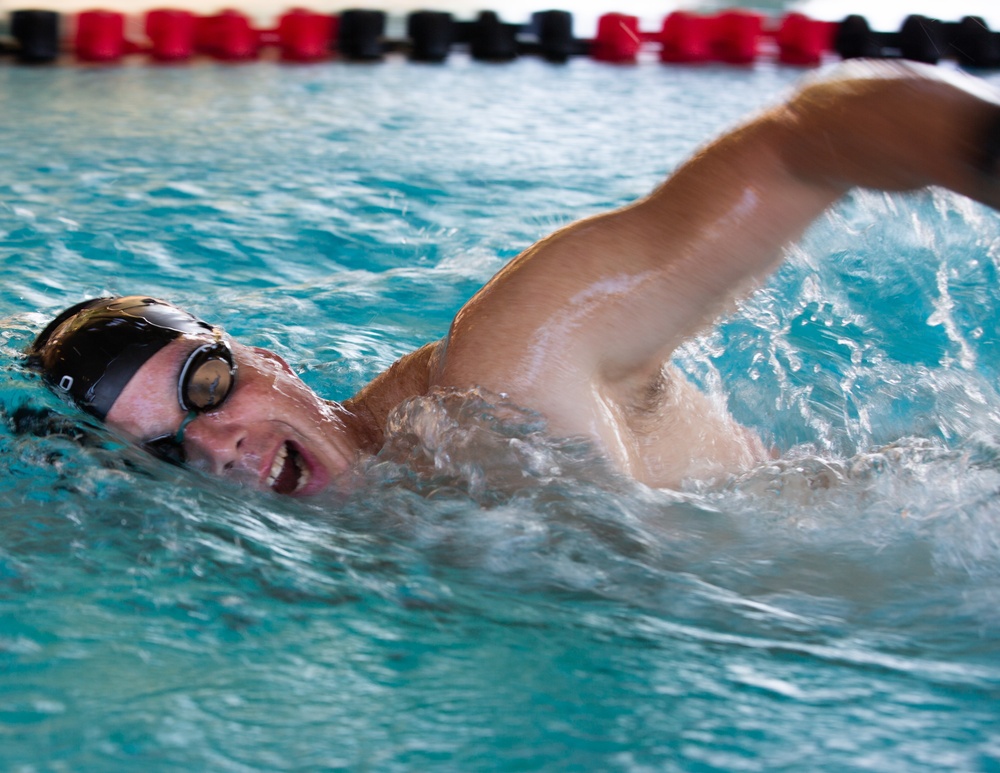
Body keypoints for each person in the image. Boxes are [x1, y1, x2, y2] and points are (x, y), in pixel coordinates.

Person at [26, 60, 1000, 497]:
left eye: (206, 385)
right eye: (165, 451)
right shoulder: (313, 546)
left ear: (270, 357)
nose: (221, 445)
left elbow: (797, 148)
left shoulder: (510, 373)